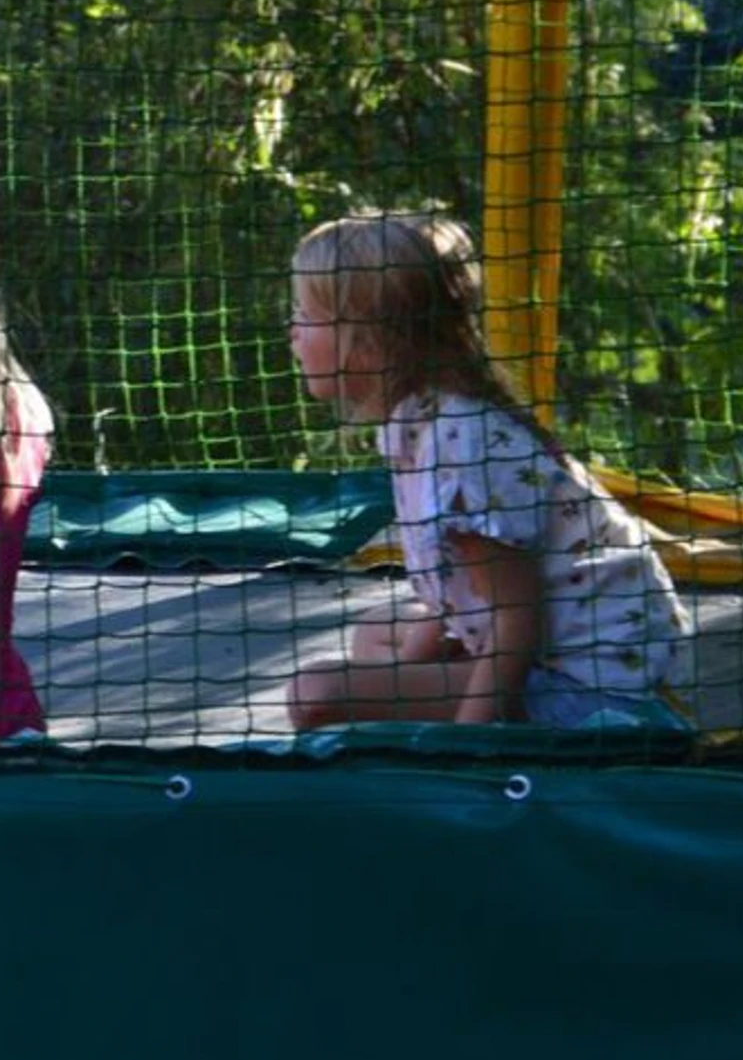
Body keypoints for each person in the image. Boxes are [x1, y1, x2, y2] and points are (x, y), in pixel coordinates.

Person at [283, 211, 692, 730]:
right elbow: (457, 596)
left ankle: (495, 737)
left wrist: (470, 743)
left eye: (305, 316)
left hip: (595, 688)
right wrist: (398, 680)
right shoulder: (418, 419)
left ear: (367, 342)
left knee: (315, 696)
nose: (292, 333)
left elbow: (515, 618)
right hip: (553, 649)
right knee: (376, 633)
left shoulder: (461, 446)